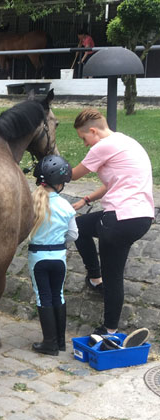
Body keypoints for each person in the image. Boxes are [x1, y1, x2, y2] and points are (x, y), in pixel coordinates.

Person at [70, 109, 154, 336]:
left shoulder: (103, 146)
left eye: (84, 138)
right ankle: (95, 278)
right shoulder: (126, 142)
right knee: (78, 227)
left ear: (94, 131)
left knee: (113, 277)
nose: (85, 144)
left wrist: (48, 171)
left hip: (119, 218)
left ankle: (109, 330)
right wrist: (86, 199)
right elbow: (114, 182)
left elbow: (73, 174)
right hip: (140, 217)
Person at [28, 155, 78, 356]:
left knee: (43, 297)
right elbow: (74, 234)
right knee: (58, 294)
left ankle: (49, 342)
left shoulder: (31, 202)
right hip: (59, 258)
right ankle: (60, 342)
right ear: (60, 184)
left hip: (38, 258)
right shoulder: (66, 206)